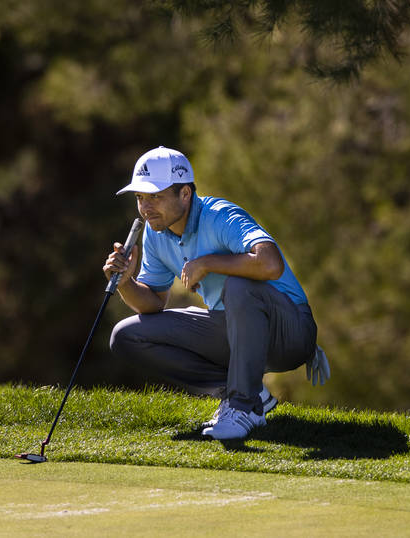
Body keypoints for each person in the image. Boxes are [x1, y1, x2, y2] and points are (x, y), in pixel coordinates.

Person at [103, 146, 330, 440]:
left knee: (238, 284)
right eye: (140, 198)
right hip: (234, 329)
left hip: (289, 332)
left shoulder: (220, 216)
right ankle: (247, 391)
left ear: (185, 194)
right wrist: (125, 282)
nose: (146, 208)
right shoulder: (156, 233)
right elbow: (153, 303)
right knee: (126, 335)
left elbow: (270, 263)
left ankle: (242, 404)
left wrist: (207, 263)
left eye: (155, 197)